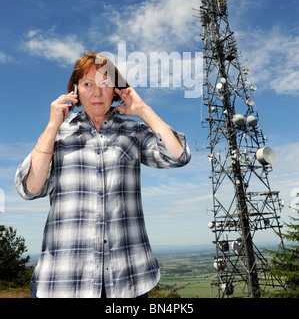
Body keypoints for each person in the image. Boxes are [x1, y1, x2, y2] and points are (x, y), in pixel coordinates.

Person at [15, 52, 191, 298]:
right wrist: (52, 126)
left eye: (105, 84)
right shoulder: (57, 134)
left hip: (128, 279)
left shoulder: (133, 131)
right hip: (63, 281)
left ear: (116, 90)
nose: (97, 93)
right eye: (88, 84)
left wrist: (144, 111)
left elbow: (178, 156)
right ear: (75, 90)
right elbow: (29, 188)